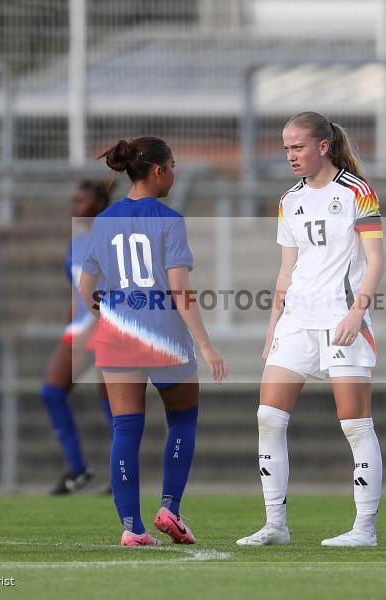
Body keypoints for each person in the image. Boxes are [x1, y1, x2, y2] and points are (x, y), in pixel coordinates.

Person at [236, 111, 385, 548]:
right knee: (268, 418)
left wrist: (357, 312)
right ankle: (275, 525)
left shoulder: (358, 192)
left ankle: (364, 530)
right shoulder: (289, 200)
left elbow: (376, 260)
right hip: (296, 322)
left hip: (342, 319)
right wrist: (272, 326)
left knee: (355, 425)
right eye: (285, 148)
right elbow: (287, 270)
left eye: (297, 147)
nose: (290, 156)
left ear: (323, 146)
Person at [78, 137, 227, 546]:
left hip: (117, 338)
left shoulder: (105, 221)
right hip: (165, 337)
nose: (174, 173)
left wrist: (105, 315)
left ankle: (132, 528)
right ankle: (169, 508)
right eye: (173, 166)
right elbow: (180, 290)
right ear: (159, 171)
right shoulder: (169, 220)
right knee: (182, 420)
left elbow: (86, 284)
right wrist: (206, 344)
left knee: (125, 430)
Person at [40, 180, 114, 495]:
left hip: (109, 326)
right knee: (51, 392)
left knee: (113, 403)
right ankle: (78, 469)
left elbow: (116, 289)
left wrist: (95, 327)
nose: (75, 205)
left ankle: (121, 474)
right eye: (74, 199)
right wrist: (71, 324)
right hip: (82, 327)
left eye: (81, 200)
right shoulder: (76, 243)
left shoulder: (110, 238)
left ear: (99, 203)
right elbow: (76, 290)